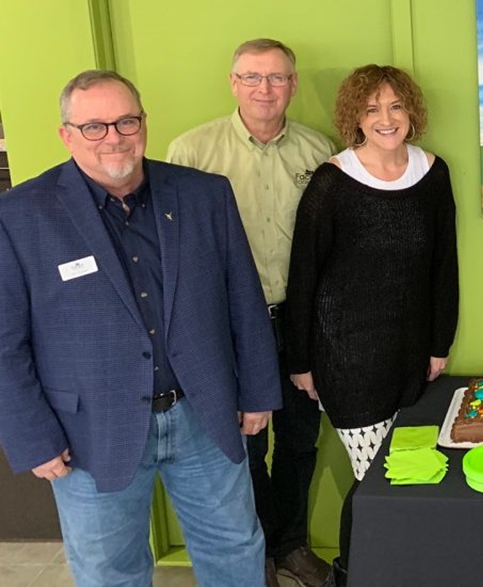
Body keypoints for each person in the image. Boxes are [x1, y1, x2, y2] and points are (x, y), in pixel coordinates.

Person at [0, 70, 281, 587]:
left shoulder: (204, 195)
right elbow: (4, 343)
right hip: (88, 431)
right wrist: (31, 437)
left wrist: (258, 390)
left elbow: (244, 298)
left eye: (126, 121)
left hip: (204, 414)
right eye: (94, 126)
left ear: (143, 123)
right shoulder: (20, 216)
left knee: (236, 549)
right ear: (66, 134)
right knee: (110, 571)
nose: (114, 137)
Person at [166, 39, 333, 587]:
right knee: (242, 444)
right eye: (253, 77)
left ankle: (291, 545)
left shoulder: (318, 150)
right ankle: (254, 550)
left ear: (294, 83)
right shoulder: (191, 151)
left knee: (301, 441)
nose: (266, 89)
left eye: (278, 77)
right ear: (233, 82)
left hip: (301, 320)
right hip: (231, 325)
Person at [285, 64, 459, 586]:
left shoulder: (433, 173)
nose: (386, 119)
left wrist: (438, 344)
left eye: (396, 106)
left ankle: (397, 571)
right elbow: (304, 276)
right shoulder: (332, 181)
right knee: (377, 483)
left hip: (411, 358)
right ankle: (359, 573)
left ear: (411, 112)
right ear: (354, 117)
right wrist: (300, 362)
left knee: (409, 476)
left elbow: (443, 266)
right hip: (346, 359)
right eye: (371, 109)